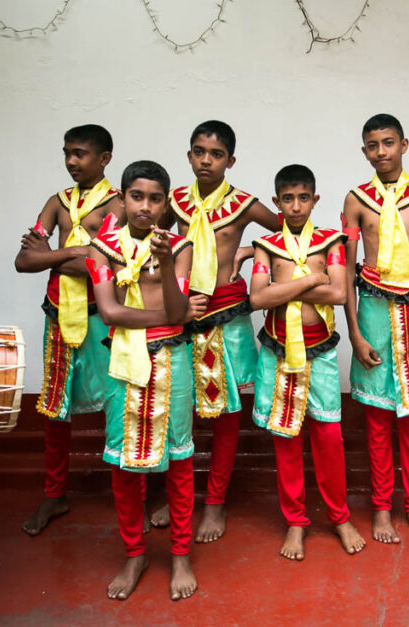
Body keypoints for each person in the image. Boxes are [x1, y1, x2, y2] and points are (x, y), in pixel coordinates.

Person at [157, 120, 281, 542]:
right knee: (179, 408)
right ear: (189, 155)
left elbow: (289, 228)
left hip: (228, 315)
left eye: (215, 154)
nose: (205, 160)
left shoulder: (244, 205)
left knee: (227, 414)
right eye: (198, 152)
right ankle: (179, 495)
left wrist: (250, 248)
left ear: (230, 160)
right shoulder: (172, 202)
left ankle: (215, 501)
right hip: (183, 313)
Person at [88, 160, 204, 601]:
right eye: (137, 196)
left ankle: (180, 555)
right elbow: (110, 313)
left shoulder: (181, 245)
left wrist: (167, 262)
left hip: (173, 363)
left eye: (156, 198)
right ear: (122, 199)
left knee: (178, 461)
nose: (146, 206)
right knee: (122, 465)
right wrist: (169, 316)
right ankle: (134, 553)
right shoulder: (102, 250)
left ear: (165, 203)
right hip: (124, 364)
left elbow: (177, 311)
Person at [342, 113, 409, 544]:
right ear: (364, 150)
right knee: (376, 416)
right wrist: (353, 330)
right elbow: (346, 270)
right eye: (373, 145)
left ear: (404, 144)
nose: (381, 152)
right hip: (371, 309)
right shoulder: (355, 200)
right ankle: (381, 509)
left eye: (389, 143)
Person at [249, 164, 366, 561]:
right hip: (278, 352)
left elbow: (338, 294)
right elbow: (258, 300)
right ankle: (296, 522)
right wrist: (310, 280)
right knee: (286, 439)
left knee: (329, 438)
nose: (296, 206)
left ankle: (339, 516)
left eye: (303, 198)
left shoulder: (331, 242)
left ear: (315, 200)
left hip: (321, 352)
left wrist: (288, 288)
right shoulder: (266, 245)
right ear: (276, 202)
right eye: (287, 198)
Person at [14, 124, 125, 536]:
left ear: (104, 159)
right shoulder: (57, 202)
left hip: (103, 314)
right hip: (58, 312)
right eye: (67, 153)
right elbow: (23, 261)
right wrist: (79, 252)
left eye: (80, 153)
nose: (71, 161)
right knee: (54, 408)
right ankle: (54, 492)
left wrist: (53, 256)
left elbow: (108, 266)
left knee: (119, 399)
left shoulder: (118, 204)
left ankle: (126, 488)